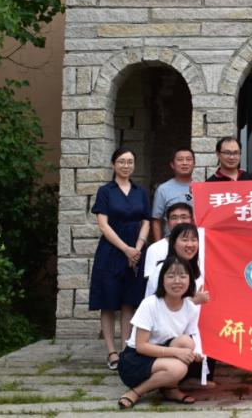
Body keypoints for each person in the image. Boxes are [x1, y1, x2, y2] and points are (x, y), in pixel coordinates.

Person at [89, 147, 151, 371]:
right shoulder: (105, 191)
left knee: (129, 302)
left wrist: (137, 249)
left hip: (136, 251)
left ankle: (125, 349)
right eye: (122, 161)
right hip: (111, 251)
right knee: (108, 302)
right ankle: (111, 351)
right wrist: (126, 249)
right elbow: (103, 225)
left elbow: (146, 221)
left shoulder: (140, 191)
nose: (126, 165)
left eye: (130, 161)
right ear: (113, 164)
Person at [117, 256, 204, 408]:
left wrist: (196, 354)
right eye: (171, 276)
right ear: (162, 280)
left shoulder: (190, 308)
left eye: (183, 276)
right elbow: (141, 346)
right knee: (178, 368)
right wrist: (177, 352)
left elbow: (188, 340)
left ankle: (170, 389)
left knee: (187, 342)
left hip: (161, 355)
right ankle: (136, 392)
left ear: (190, 280)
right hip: (136, 360)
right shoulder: (150, 304)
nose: (177, 281)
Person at [143, 203, 194, 297]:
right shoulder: (154, 249)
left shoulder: (198, 246)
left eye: (184, 217)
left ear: (192, 220)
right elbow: (152, 284)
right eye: (174, 218)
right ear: (167, 222)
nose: (179, 222)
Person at [145, 222, 204, 298]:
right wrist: (193, 302)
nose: (190, 244)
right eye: (185, 240)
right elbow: (155, 301)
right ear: (173, 243)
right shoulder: (162, 268)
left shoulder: (200, 268)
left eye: (193, 240)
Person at [151, 148, 195, 241]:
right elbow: (156, 220)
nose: (185, 163)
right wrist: (158, 245)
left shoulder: (202, 187)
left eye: (188, 159)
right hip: (171, 241)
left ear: (194, 163)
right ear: (172, 165)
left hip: (195, 241)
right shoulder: (163, 189)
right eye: (180, 159)